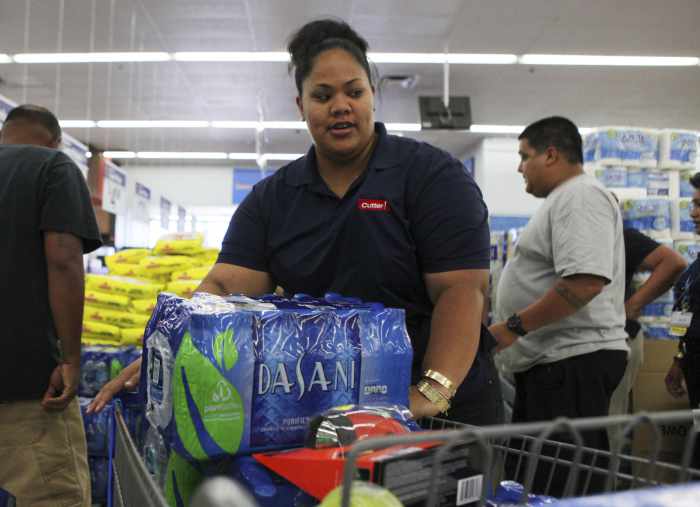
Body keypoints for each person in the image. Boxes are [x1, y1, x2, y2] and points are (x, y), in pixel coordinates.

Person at [90, 18, 503, 425]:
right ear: (300, 106)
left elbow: (461, 290)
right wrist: (167, 350)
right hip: (329, 406)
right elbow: (222, 286)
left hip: (442, 408)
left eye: (354, 91)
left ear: (372, 96)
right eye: (322, 95)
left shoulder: (431, 177)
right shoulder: (274, 199)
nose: (340, 105)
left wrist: (429, 393)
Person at [490, 116, 628, 495]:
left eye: (524, 156)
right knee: (538, 476)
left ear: (551, 155)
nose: (519, 167)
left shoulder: (579, 197)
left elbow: (584, 282)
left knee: (561, 481)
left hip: (571, 364)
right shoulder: (564, 199)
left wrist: (513, 327)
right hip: (555, 362)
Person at [0, 105, 101, 506]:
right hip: (26, 386)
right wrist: (71, 360)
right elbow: (62, 259)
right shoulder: (52, 168)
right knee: (53, 494)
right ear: (55, 141)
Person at [608, 227, 685, 439]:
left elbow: (674, 263)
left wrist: (632, 305)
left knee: (606, 422)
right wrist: (680, 359)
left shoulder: (618, 235)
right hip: (690, 363)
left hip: (616, 339)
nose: (694, 213)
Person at [666, 172, 700, 466]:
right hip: (694, 368)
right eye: (693, 204)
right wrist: (678, 360)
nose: (694, 213)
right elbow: (684, 314)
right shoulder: (694, 268)